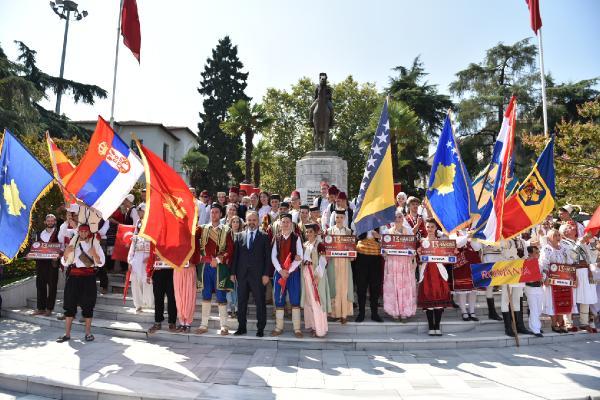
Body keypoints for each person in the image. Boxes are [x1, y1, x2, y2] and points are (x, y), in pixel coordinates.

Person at [57, 224, 105, 343]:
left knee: (88, 305)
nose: (83, 233)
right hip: (73, 277)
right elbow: (65, 263)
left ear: (89, 232)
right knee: (69, 304)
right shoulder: (73, 243)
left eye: (85, 231)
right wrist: (66, 253)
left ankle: (88, 333)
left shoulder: (94, 244)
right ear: (78, 232)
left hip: (88, 277)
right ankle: (67, 334)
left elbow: (101, 263)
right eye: (81, 231)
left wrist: (94, 254)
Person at [194, 204, 234, 335]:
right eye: (212, 212)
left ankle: (224, 326)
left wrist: (217, 260)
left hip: (219, 267)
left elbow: (230, 249)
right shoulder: (202, 228)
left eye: (216, 212)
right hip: (205, 267)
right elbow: (192, 238)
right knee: (205, 295)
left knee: (221, 295)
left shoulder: (227, 229)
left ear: (221, 214)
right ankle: (203, 325)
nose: (214, 214)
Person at [231, 211, 271, 337]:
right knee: (241, 302)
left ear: (258, 221)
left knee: (260, 302)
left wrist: (266, 274)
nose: (252, 222)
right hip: (242, 275)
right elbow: (235, 257)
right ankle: (241, 327)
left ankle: (260, 329)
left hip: (258, 276)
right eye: (249, 220)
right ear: (246, 221)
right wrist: (233, 273)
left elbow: (268, 258)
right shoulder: (239, 236)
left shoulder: (264, 236)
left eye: (254, 220)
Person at [417, 219, 452, 336]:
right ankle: (431, 327)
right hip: (426, 272)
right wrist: (419, 254)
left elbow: (447, 260)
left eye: (432, 227)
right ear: (425, 228)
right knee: (428, 298)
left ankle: (437, 326)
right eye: (428, 227)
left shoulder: (441, 242)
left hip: (439, 272)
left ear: (436, 228)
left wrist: (452, 252)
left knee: (439, 299)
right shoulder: (421, 242)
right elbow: (418, 260)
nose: (430, 229)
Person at [271, 213, 304, 337]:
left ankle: (297, 329)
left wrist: (288, 271)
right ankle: (279, 327)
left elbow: (299, 257)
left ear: (292, 224)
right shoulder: (277, 237)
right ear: (280, 224)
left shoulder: (297, 238)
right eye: (283, 222)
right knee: (279, 299)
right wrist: (280, 270)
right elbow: (273, 256)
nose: (285, 224)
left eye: (288, 222)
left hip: (293, 273)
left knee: (295, 299)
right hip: (279, 273)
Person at [382, 209, 417, 320]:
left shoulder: (409, 232)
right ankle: (394, 311)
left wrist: (412, 253)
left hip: (405, 263)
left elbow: (413, 248)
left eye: (400, 217)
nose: (398, 219)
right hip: (393, 263)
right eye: (396, 217)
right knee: (393, 286)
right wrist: (385, 251)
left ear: (403, 219)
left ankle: (405, 311)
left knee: (405, 286)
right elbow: (383, 250)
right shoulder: (387, 233)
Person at [562, 225, 598, 331]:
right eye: (569, 227)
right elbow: (571, 256)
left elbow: (592, 257)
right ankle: (568, 322)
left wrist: (591, 241)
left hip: (585, 272)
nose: (573, 227)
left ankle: (584, 322)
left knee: (586, 297)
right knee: (571, 297)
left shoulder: (579, 241)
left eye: (573, 226)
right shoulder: (563, 243)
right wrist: (581, 242)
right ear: (564, 231)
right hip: (573, 272)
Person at [540, 229, 574, 333]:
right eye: (555, 235)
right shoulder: (547, 249)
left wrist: (572, 277)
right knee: (552, 302)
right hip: (552, 280)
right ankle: (554, 324)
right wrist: (545, 278)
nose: (557, 237)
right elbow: (543, 264)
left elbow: (570, 263)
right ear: (549, 237)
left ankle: (561, 323)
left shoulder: (564, 248)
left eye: (558, 235)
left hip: (563, 280)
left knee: (562, 301)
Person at [301, 223, 331, 337]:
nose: (308, 234)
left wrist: (318, 276)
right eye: (307, 232)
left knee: (317, 301)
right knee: (309, 301)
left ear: (315, 232)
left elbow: (323, 261)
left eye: (310, 232)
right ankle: (313, 326)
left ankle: (320, 329)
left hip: (316, 275)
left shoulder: (320, 245)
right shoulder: (305, 244)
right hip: (306, 274)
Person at [326, 210, 354, 324]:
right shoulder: (329, 231)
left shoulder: (348, 231)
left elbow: (352, 247)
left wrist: (352, 254)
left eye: (341, 217)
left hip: (345, 262)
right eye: (337, 217)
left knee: (344, 286)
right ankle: (334, 313)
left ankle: (344, 314)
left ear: (344, 218)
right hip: (333, 262)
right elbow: (327, 247)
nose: (339, 219)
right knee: (334, 286)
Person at [126, 204, 154, 313]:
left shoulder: (151, 227)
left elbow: (154, 246)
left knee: (147, 281)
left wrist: (151, 259)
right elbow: (132, 246)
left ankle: (149, 303)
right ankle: (138, 304)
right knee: (136, 282)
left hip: (147, 259)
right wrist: (130, 260)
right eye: (139, 211)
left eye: (141, 211)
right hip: (136, 259)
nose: (139, 213)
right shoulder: (137, 227)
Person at [32, 214, 61, 317]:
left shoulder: (59, 233)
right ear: (45, 222)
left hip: (52, 263)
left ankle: (49, 308)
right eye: (48, 220)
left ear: (55, 222)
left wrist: (58, 255)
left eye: (52, 220)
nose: (50, 222)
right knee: (40, 285)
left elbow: (62, 247)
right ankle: (40, 308)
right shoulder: (39, 233)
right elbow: (35, 246)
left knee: (52, 286)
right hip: (41, 263)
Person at [146, 244, 177, 334]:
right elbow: (152, 256)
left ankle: (172, 322)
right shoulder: (154, 239)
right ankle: (158, 322)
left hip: (171, 271)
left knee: (172, 298)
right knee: (158, 298)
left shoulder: (174, 237)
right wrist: (149, 273)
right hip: (158, 272)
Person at [451, 232, 482, 321]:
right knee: (462, 289)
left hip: (474, 261)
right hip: (461, 263)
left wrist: (473, 236)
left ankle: (472, 311)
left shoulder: (470, 231)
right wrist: (467, 236)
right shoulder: (453, 232)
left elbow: (477, 247)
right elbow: (457, 244)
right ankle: (464, 311)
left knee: (473, 289)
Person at [524, 245, 544, 337]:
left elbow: (543, 274)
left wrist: (543, 276)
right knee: (534, 309)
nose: (538, 254)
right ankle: (535, 329)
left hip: (539, 287)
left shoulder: (540, 263)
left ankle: (536, 326)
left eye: (538, 252)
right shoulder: (526, 263)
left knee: (539, 308)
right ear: (530, 254)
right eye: (536, 252)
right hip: (530, 288)